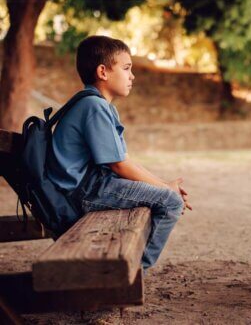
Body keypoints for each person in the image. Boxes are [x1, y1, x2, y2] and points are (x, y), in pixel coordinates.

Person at [47, 35, 192, 270]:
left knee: (166, 196)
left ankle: (128, 272)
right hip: (83, 192)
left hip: (89, 187)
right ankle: (132, 275)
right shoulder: (94, 106)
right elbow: (119, 166)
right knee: (171, 202)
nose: (132, 75)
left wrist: (164, 184)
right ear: (103, 72)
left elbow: (123, 161)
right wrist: (167, 190)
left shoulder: (96, 105)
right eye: (126, 68)